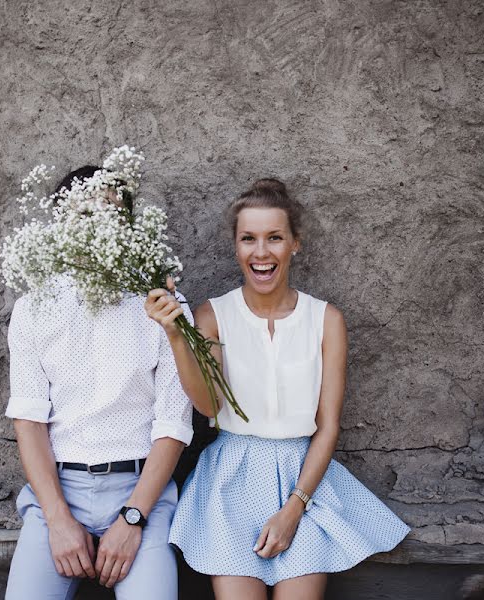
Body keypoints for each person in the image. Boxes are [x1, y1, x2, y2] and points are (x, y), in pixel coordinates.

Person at [145, 178, 411, 599]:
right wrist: (178, 336)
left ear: (294, 244)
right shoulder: (212, 314)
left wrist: (294, 508)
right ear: (236, 247)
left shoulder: (326, 320)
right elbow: (208, 404)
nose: (261, 252)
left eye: (274, 238)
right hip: (229, 480)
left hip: (302, 480)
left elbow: (328, 427)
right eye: (248, 239)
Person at [4, 166, 194, 600]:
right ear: (61, 227)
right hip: (57, 493)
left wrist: (132, 520)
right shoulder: (34, 307)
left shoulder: (161, 305)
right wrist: (57, 519)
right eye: (82, 216)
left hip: (140, 490)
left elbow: (173, 424)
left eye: (108, 215)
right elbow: (29, 420)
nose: (95, 227)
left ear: (126, 225)